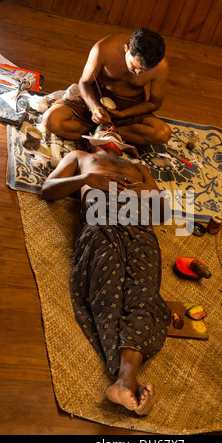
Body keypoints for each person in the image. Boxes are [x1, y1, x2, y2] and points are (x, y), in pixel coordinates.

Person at [41, 127, 171, 415]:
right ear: (91, 138)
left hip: (141, 231)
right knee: (107, 292)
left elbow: (164, 215)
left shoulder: (139, 168)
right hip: (102, 224)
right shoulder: (80, 157)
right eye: (104, 127)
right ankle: (126, 380)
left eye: (116, 129)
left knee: (144, 297)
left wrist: (151, 194)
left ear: (124, 145)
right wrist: (86, 178)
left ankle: (123, 383)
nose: (111, 128)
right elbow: (48, 191)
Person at [43, 28, 172, 147]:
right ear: (126, 48)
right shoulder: (104, 48)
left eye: (144, 70)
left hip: (130, 109)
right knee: (51, 120)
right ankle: (105, 135)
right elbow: (84, 82)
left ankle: (108, 133)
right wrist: (94, 108)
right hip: (96, 100)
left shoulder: (161, 67)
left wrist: (124, 114)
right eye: (135, 66)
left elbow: (154, 103)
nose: (138, 73)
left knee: (162, 133)